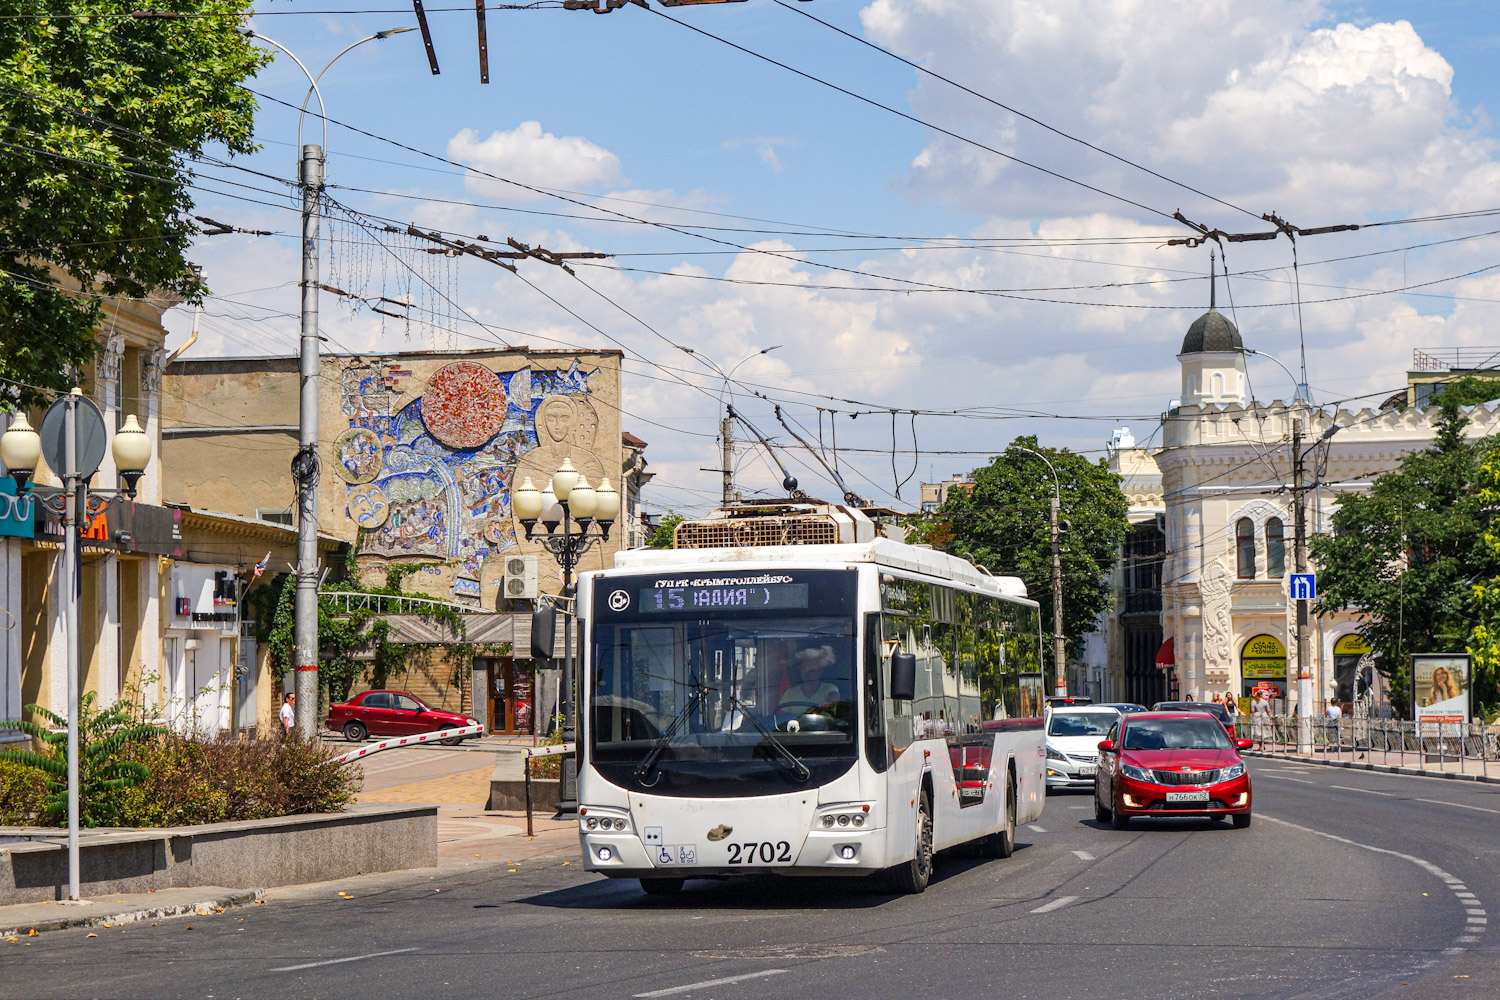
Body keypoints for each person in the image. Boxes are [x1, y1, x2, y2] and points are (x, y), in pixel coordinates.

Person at [777, 645, 842, 716]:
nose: (806, 673)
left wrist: (827, 704)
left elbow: (833, 698)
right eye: (804, 669)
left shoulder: (829, 688)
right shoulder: (790, 693)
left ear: (820, 671)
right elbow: (780, 718)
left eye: (811, 669)